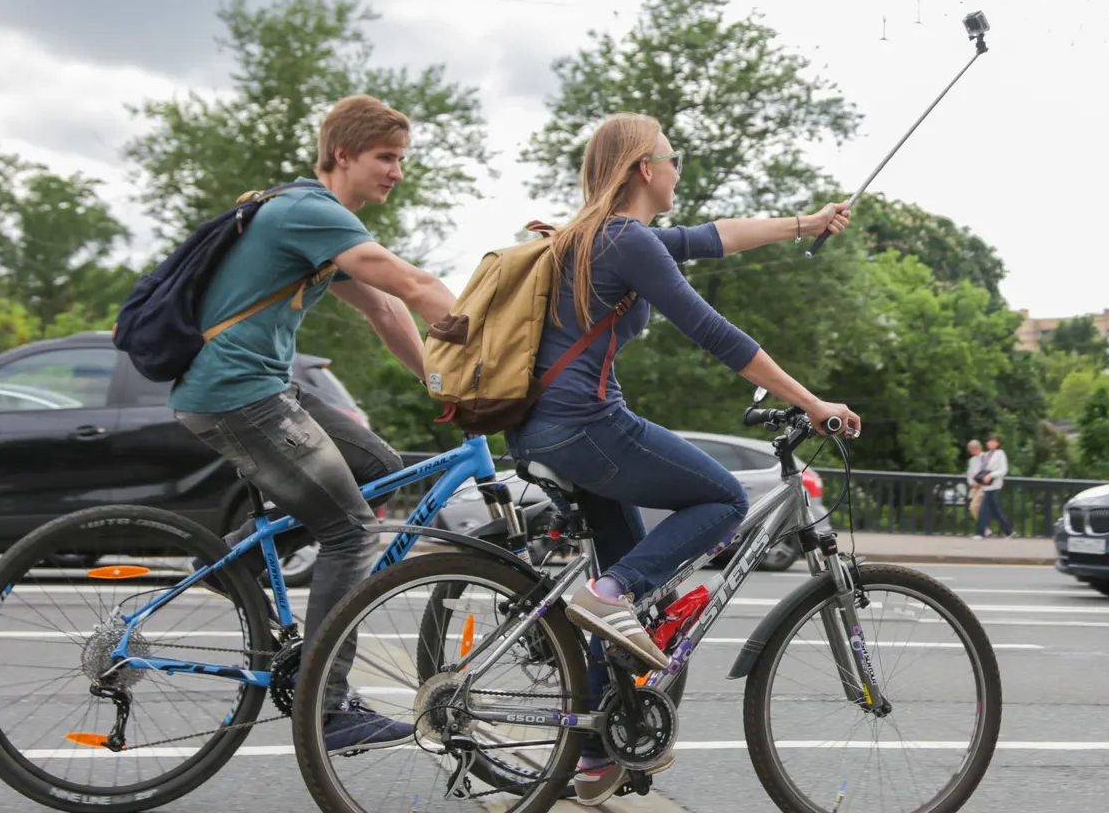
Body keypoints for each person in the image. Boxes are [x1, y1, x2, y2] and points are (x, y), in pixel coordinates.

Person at [504, 112, 861, 804]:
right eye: (673, 158)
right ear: (645, 167)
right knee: (723, 498)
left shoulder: (601, 237)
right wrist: (812, 402)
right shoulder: (626, 240)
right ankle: (609, 598)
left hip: (541, 431)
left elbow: (718, 238)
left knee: (631, 583)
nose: (678, 170)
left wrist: (806, 222)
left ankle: (596, 753)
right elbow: (714, 332)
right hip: (587, 426)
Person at [170, 93, 457, 749]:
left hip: (260, 386)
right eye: (386, 157)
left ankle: (233, 565)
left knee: (381, 470)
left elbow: (386, 309)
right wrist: (486, 339)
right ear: (342, 155)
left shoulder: (315, 222)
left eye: (402, 159)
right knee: (353, 532)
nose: (397, 171)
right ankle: (324, 706)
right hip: (237, 394)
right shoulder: (308, 210)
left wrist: (444, 383)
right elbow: (411, 284)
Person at [968, 434, 1013, 538]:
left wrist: (991, 475)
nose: (990, 443)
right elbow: (983, 468)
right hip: (986, 485)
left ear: (998, 443)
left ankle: (980, 533)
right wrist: (977, 474)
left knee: (983, 509)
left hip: (994, 485)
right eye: (989, 441)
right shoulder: (986, 455)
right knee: (994, 511)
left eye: (993, 441)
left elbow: (1003, 470)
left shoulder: (1000, 454)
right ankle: (1009, 530)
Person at [962, 439, 986, 534]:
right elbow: (969, 473)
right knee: (972, 505)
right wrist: (971, 482)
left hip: (983, 486)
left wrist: (979, 482)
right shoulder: (972, 460)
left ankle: (984, 526)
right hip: (974, 486)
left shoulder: (984, 458)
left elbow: (985, 471)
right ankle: (983, 526)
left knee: (974, 506)